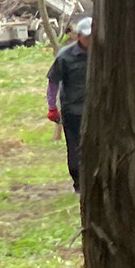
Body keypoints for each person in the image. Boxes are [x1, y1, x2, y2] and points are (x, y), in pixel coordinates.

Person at [46, 16, 92, 191]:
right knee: (74, 148)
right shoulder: (65, 57)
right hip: (72, 110)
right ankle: (79, 183)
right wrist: (52, 107)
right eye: (87, 36)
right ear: (78, 36)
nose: (90, 40)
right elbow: (53, 82)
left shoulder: (102, 54)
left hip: (96, 110)